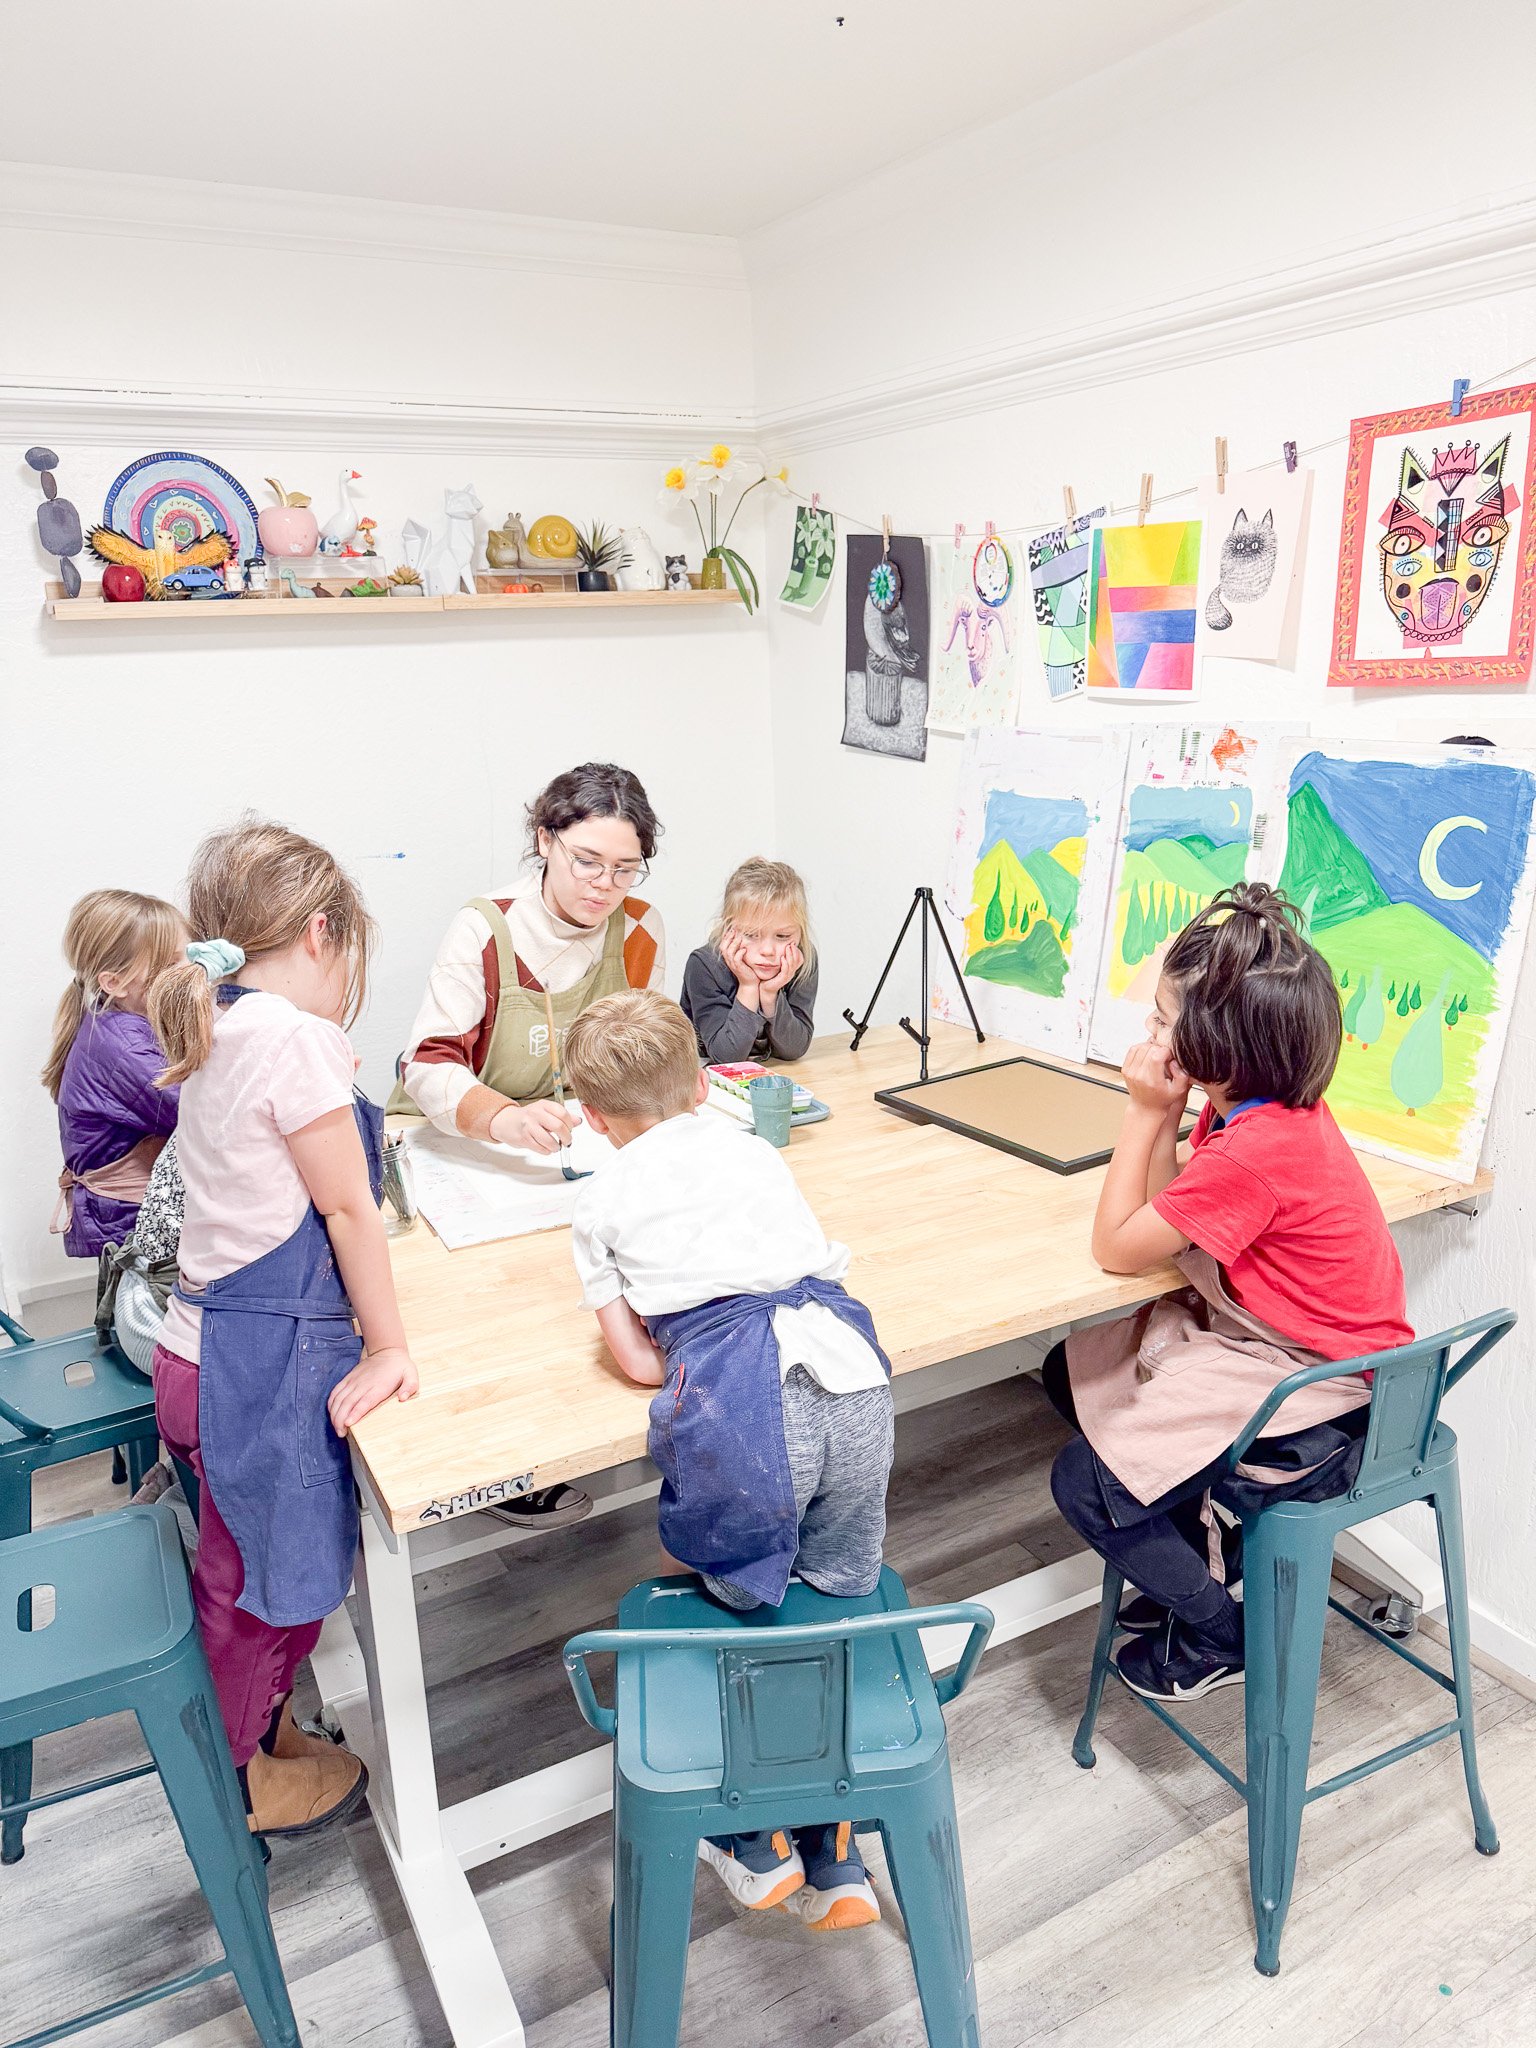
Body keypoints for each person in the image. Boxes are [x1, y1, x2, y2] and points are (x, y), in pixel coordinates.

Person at [563, 989, 894, 1932]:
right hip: (856, 1376)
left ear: (593, 1118)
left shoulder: (602, 1199)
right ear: (705, 1082)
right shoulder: (753, 1147)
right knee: (827, 1594)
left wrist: (690, 1348)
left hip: (757, 1411)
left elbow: (634, 1363)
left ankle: (754, 1835)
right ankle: (835, 1841)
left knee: (713, 1589)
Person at [1045, 884, 1411, 1704]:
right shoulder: (1251, 1112)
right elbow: (1176, 1211)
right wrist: (1176, 1115)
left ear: (1219, 1045)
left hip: (1326, 1393)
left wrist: (1144, 1115)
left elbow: (1116, 1246)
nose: (1149, 1033)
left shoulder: (1257, 1148)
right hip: (1284, 1347)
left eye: (1162, 1020)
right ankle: (1198, 1561)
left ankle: (1222, 1630)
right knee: (1065, 1373)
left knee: (1083, 1483)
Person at [147, 818, 419, 1837]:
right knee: (266, 1587)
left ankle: (263, 1732)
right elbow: (348, 1209)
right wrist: (390, 1344)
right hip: (258, 1374)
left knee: (238, 1565)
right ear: (321, 933)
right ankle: (240, 1782)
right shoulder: (297, 1038)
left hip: (196, 1353)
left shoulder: (215, 1021)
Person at [391, 761, 666, 1528]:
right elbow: (428, 1064)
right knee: (487, 1303)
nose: (603, 886)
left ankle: (584, 1440)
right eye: (586, 861)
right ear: (544, 840)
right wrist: (501, 1119)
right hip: (467, 1146)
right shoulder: (487, 927)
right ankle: (495, 1462)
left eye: (623, 869)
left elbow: (641, 1050)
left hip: (574, 1150)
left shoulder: (640, 928)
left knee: (592, 1278)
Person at [43, 889, 186, 1261]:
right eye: (171, 965)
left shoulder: (111, 1023)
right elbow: (202, 1112)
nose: (187, 972)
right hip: (130, 1224)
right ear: (115, 982)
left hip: (119, 1214)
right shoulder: (124, 1048)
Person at [681, 856, 818, 1064]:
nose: (768, 950)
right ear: (728, 928)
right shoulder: (704, 965)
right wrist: (748, 986)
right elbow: (725, 1056)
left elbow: (794, 1049)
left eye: (783, 936)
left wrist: (770, 994)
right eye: (751, 934)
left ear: (800, 932)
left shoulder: (801, 960)